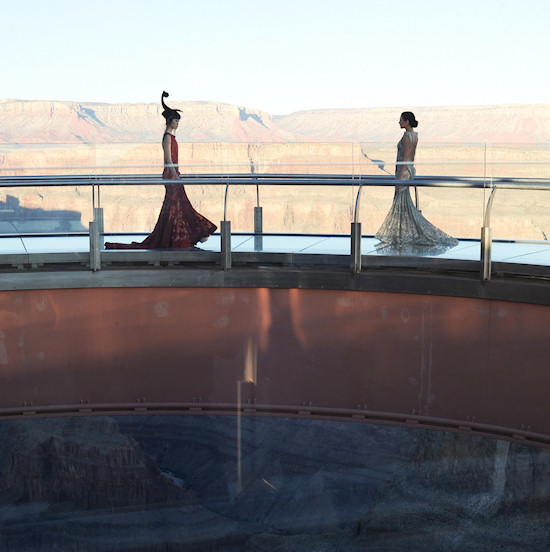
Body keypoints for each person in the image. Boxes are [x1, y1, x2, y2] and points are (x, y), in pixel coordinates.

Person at [105, 91, 216, 250]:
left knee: (174, 207)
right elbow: (168, 160)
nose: (178, 123)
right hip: (171, 175)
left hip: (175, 175)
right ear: (170, 121)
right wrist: (176, 177)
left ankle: (178, 236)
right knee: (181, 204)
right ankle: (199, 232)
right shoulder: (167, 138)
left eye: (178, 121)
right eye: (176, 121)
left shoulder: (172, 137)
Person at [375, 112, 458, 253]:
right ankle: (400, 235)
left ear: (406, 122)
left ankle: (408, 235)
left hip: (403, 172)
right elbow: (412, 158)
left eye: (400, 120)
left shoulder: (407, 137)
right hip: (410, 171)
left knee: (401, 203)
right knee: (404, 204)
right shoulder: (415, 136)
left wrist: (399, 177)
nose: (399, 122)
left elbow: (406, 157)